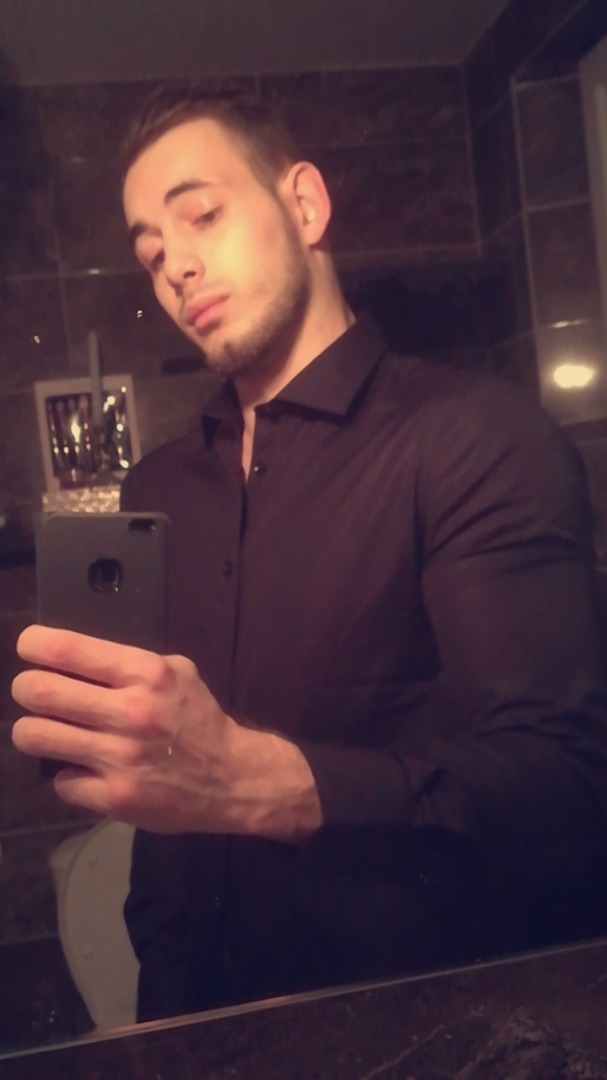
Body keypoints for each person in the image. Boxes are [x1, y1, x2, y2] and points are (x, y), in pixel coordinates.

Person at [11, 87, 607, 1022]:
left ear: (304, 205)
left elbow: (563, 793)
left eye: (202, 215)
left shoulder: (477, 439)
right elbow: (165, 832)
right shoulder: (159, 490)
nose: (176, 267)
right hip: (190, 1022)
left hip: (413, 1034)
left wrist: (248, 782)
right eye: (151, 253)